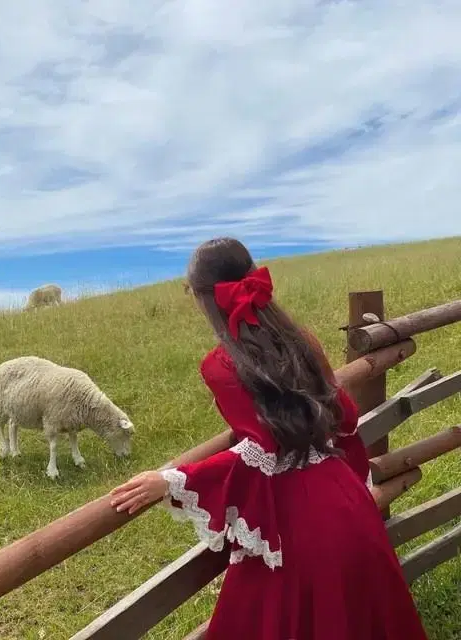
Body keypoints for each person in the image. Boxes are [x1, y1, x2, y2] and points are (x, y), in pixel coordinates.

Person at [110, 237, 428, 639]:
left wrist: (172, 480)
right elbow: (344, 415)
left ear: (207, 297)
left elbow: (260, 451)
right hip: (346, 502)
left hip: (297, 523)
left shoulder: (221, 365)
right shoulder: (303, 339)